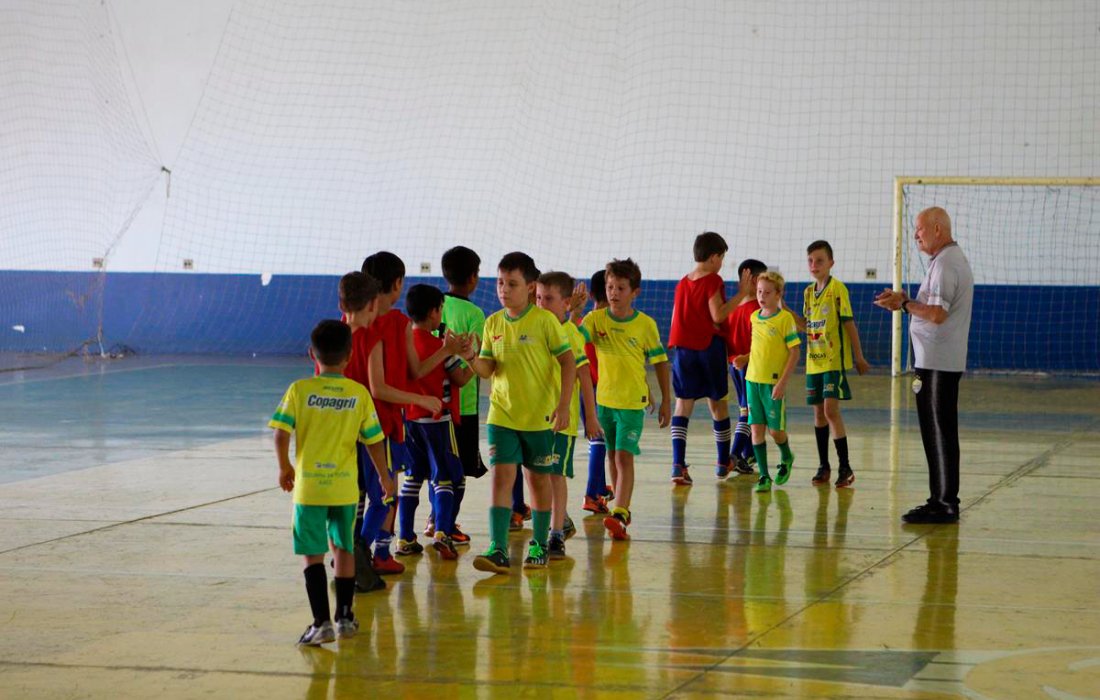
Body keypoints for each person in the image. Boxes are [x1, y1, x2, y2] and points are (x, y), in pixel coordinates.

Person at [270, 319, 393, 645]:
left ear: (312, 354)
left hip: (309, 489)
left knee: (313, 553)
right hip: (344, 489)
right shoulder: (358, 393)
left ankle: (321, 623)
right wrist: (384, 476)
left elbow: (280, 433)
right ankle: (345, 617)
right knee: (343, 548)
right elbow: (374, 440)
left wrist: (284, 467)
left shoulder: (299, 390)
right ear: (349, 357)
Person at [466, 252, 576, 573]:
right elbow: (488, 369)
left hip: (539, 419)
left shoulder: (545, 321)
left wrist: (563, 405)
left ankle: (539, 543)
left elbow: (568, 362)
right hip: (501, 416)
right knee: (501, 477)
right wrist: (470, 357)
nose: (503, 289)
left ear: (530, 287)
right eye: (500, 282)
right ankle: (498, 548)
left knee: (538, 481)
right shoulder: (493, 323)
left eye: (512, 283)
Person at [874, 207, 973, 524]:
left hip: (939, 363)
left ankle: (944, 503)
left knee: (939, 431)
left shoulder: (945, 264)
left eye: (920, 228)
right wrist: (905, 300)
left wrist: (904, 304)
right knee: (937, 431)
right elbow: (931, 307)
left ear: (937, 229)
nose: (916, 234)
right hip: (935, 361)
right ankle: (940, 499)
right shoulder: (944, 261)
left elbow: (937, 314)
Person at [359, 252, 453, 575]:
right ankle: (375, 552)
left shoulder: (352, 322)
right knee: (387, 490)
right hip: (383, 422)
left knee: (361, 492)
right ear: (397, 283)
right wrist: (421, 398)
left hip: (350, 423)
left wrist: (446, 350)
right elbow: (394, 381)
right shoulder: (397, 323)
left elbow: (410, 371)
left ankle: (352, 550)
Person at [583, 258, 671, 540]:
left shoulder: (645, 325)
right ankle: (620, 510)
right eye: (610, 287)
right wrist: (572, 313)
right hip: (604, 402)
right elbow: (572, 339)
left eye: (621, 288)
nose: (614, 293)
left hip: (632, 404)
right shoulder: (595, 320)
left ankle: (620, 511)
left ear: (635, 292)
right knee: (611, 455)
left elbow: (660, 362)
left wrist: (666, 399)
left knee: (623, 456)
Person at [396, 283, 474, 559]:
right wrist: (471, 358)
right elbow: (460, 378)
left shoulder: (405, 344)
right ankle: (442, 531)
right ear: (433, 312)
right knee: (447, 478)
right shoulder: (439, 348)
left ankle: (404, 537)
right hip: (438, 421)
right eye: (440, 309)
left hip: (410, 421)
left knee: (412, 478)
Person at [668, 232, 751, 484]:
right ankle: (723, 462)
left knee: (683, 405)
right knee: (718, 405)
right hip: (708, 348)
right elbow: (718, 315)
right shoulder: (713, 280)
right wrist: (742, 293)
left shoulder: (682, 283)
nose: (722, 263)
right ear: (714, 257)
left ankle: (677, 465)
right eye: (722, 258)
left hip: (683, 350)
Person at [536, 271, 601, 559]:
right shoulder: (534, 328)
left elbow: (585, 377)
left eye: (548, 299)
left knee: (555, 474)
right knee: (538, 474)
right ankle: (558, 518)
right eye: (538, 298)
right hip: (534, 418)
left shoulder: (572, 334)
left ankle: (555, 535)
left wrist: (591, 417)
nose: (541, 304)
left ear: (565, 303)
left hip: (562, 421)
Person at [426, 245, 488, 546]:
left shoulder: (434, 306)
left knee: (438, 467)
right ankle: (446, 524)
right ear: (473, 278)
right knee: (459, 469)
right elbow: (475, 357)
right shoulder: (475, 314)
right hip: (464, 404)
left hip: (434, 401)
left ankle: (434, 517)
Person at [800, 240, 871, 488]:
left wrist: (859, 356)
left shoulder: (838, 289)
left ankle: (845, 466)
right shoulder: (808, 293)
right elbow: (806, 326)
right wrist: (783, 309)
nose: (814, 265)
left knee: (831, 411)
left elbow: (849, 324)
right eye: (810, 260)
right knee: (818, 413)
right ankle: (824, 465)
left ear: (831, 263)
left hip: (833, 361)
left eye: (819, 260)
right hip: (813, 363)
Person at [732, 271, 801, 493]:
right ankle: (764, 476)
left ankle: (786, 455)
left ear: (778, 294)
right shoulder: (754, 317)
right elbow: (758, 348)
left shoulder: (785, 319)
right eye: (759, 291)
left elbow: (795, 352)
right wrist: (745, 358)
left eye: (767, 292)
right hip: (752, 381)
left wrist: (782, 383)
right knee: (756, 431)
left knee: (775, 432)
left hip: (772, 384)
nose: (762, 296)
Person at [724, 258, 768, 476]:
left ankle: (745, 456)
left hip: (734, 366)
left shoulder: (732, 309)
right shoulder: (757, 311)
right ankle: (732, 456)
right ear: (753, 279)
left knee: (753, 412)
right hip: (751, 366)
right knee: (749, 412)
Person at [577, 269, 615, 513]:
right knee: (600, 441)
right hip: (601, 389)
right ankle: (591, 494)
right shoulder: (606, 322)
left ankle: (599, 488)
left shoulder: (583, 322)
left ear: (591, 294)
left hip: (585, 389)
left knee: (597, 440)